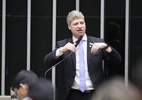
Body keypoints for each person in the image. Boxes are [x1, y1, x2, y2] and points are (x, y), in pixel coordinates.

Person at [44, 10, 122, 100]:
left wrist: (106, 47)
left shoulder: (97, 42)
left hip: (95, 94)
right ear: (69, 26)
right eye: (76, 24)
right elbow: (47, 61)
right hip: (71, 94)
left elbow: (117, 60)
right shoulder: (63, 44)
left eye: (82, 23)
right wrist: (62, 49)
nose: (80, 26)